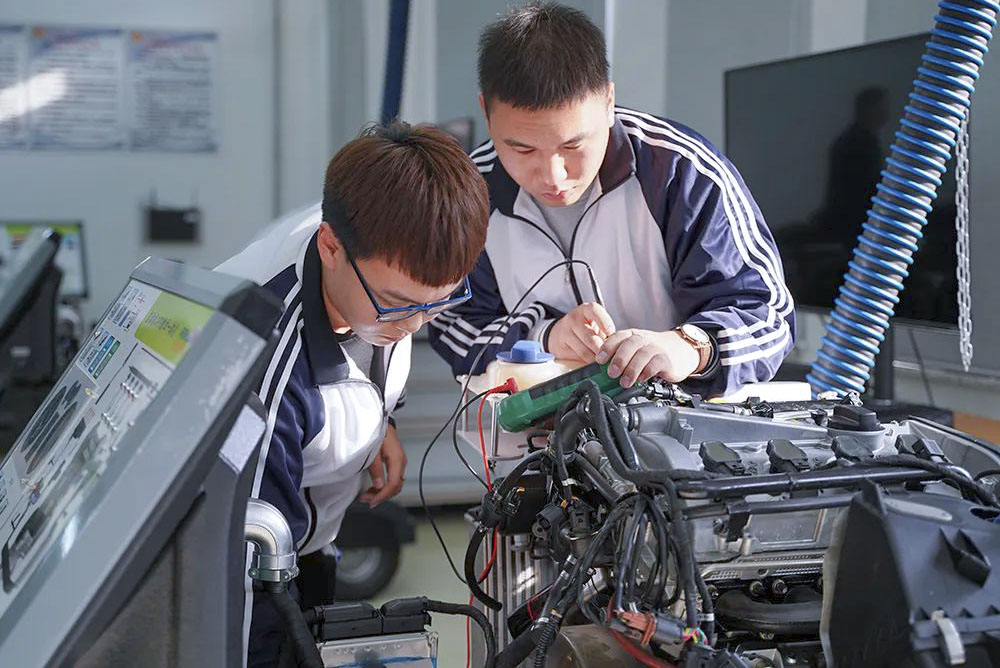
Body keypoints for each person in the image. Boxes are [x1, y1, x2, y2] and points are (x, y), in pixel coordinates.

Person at [217, 121, 489, 666]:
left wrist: (381, 422)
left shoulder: (374, 259)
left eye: (436, 303)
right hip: (257, 564)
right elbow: (252, 571)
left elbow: (387, 324)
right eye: (397, 304)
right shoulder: (268, 372)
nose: (413, 326)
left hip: (313, 530)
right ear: (330, 247)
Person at [428, 2, 795, 398]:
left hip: (677, 421)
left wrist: (689, 347)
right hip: (536, 426)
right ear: (486, 112)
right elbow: (452, 323)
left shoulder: (681, 173)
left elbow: (767, 318)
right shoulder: (468, 190)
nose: (553, 176)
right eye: (522, 149)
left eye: (573, 145)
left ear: (608, 101)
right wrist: (543, 335)